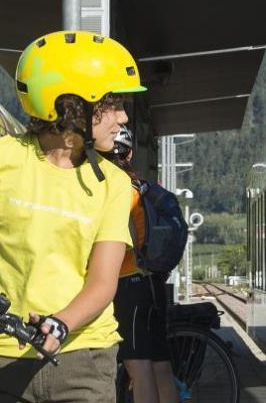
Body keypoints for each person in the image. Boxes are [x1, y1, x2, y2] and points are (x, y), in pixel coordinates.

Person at [0, 31, 146, 402]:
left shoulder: (114, 184)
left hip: (84, 358)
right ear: (73, 105)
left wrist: (61, 323)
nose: (122, 116)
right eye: (111, 103)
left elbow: (103, 281)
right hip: (3, 357)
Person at [103, 132, 181, 403]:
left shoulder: (115, 190)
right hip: (153, 284)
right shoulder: (142, 187)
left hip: (129, 284)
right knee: (160, 366)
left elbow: (119, 245)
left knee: (138, 366)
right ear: (130, 154)